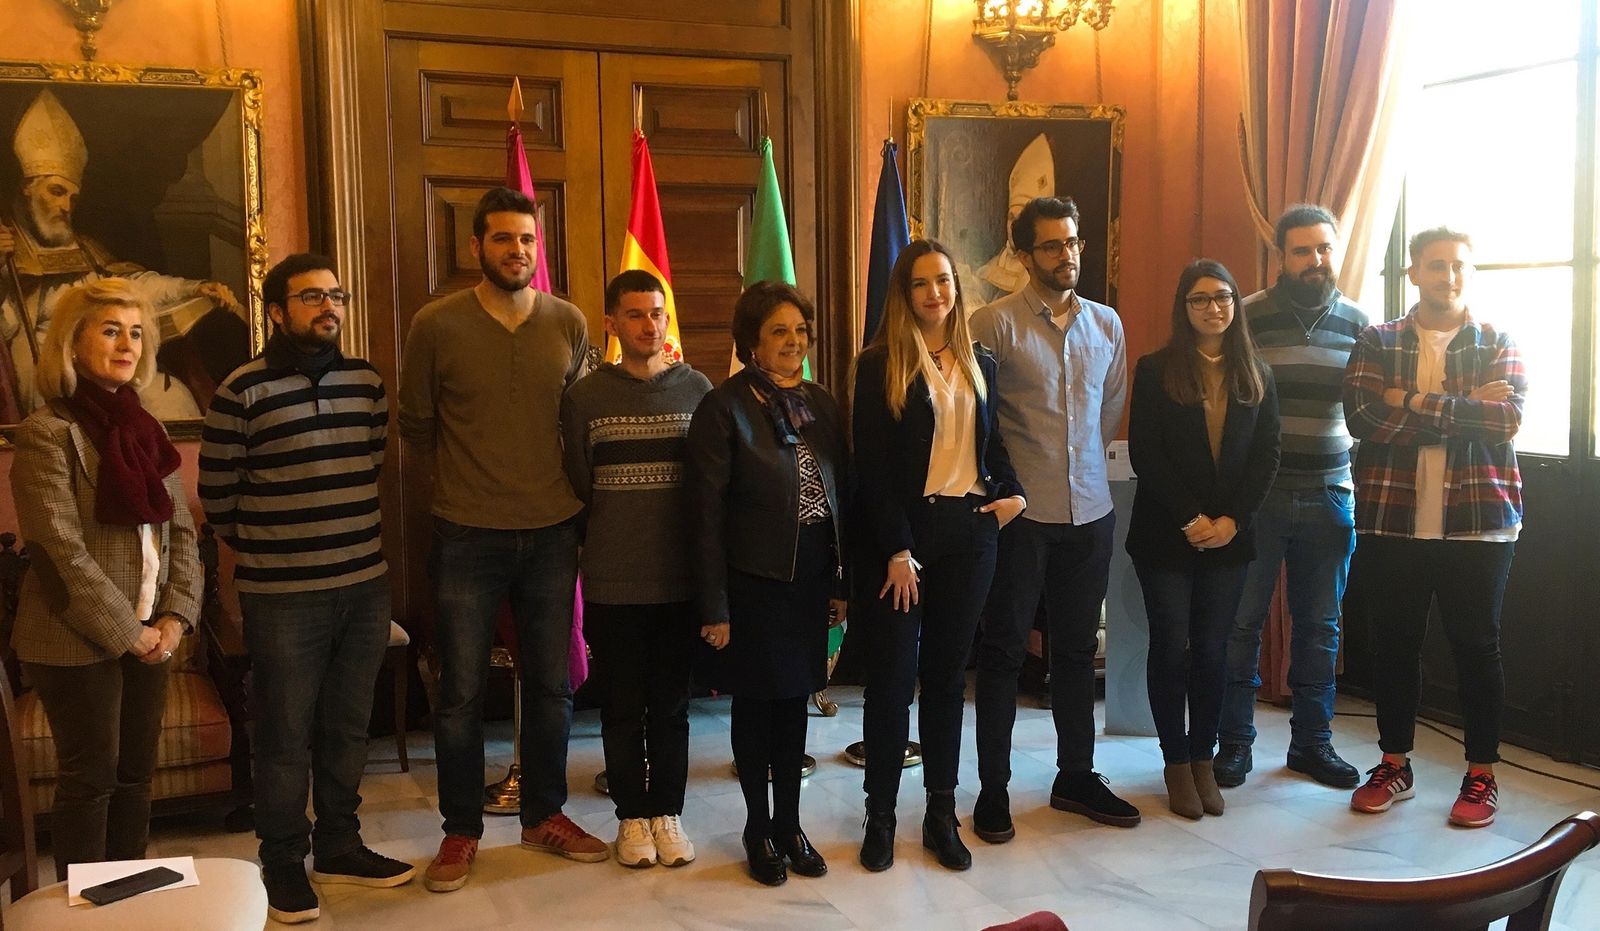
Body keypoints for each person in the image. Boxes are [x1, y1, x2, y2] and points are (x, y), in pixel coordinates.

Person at [398, 186, 604, 892]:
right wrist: (468, 483)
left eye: (527, 240)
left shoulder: (568, 322)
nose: (518, 251)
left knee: (550, 685)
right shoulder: (436, 324)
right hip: (466, 532)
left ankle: (546, 812)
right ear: (476, 246)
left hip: (552, 530)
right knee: (458, 692)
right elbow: (417, 425)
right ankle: (461, 829)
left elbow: (580, 420)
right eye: (503, 239)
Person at [199, 254, 409, 923]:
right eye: (312, 295)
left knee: (348, 727)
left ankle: (340, 844)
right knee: (285, 733)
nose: (329, 307)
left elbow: (367, 462)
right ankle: (283, 860)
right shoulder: (242, 391)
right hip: (283, 595)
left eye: (336, 294)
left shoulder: (366, 382)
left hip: (363, 586)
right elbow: (219, 500)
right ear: (277, 310)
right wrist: (280, 547)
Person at [7, 277, 200, 880]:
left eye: (137, 332)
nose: (128, 344)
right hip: (73, 638)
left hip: (151, 631)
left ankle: (128, 895)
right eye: (110, 330)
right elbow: (59, 553)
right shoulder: (46, 434)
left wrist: (174, 616)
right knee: (92, 778)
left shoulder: (149, 429)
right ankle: (87, 912)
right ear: (71, 341)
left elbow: (181, 534)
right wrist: (131, 632)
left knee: (135, 774)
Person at [1343, 227, 1524, 828]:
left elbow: (1506, 421)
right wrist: (1465, 407)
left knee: (1477, 647)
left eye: (1459, 267)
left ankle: (1481, 776)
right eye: (1437, 265)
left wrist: (1413, 401)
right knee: (1394, 645)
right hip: (1393, 519)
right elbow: (1364, 418)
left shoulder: (1497, 340)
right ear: (1414, 273)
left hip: (1480, 522)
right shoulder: (1377, 339)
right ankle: (1395, 765)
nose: (1448, 275)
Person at [853, 239, 1025, 872]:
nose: (935, 293)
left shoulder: (980, 360)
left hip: (972, 530)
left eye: (945, 281)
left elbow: (993, 446)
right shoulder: (881, 365)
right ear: (905, 293)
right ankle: (880, 817)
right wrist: (896, 547)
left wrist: (1013, 496)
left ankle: (939, 814)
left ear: (957, 288)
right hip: (904, 539)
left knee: (949, 682)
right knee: (893, 683)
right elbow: (869, 468)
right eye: (922, 283)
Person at [969, 195, 1137, 838]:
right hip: (1021, 517)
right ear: (1022, 254)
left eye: (1072, 242)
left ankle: (1075, 776)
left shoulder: (1107, 324)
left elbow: (1108, 410)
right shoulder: (993, 324)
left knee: (1075, 650)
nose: (1066, 255)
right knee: (1006, 651)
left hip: (1090, 511)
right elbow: (979, 424)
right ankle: (993, 789)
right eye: (1050, 245)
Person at [685, 280, 847, 887]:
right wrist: (714, 604)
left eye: (800, 331)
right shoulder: (722, 408)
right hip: (751, 586)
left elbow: (840, 500)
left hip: (808, 582)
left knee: (796, 709)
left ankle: (790, 825)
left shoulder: (822, 404)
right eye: (779, 331)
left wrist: (840, 582)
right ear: (752, 340)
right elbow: (703, 517)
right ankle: (758, 828)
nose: (793, 342)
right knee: (757, 711)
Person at [560, 269, 712, 869]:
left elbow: (709, 487)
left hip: (679, 581)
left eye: (658, 313)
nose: (650, 325)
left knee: (673, 706)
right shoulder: (586, 398)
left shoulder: (697, 388)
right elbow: (577, 485)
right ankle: (630, 817)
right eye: (636, 315)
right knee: (622, 707)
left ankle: (667, 813)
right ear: (612, 323)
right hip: (612, 583)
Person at [1215, 205, 1369, 791]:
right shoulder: (1247, 316)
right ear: (1282, 256)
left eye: (1324, 249)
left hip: (1331, 494)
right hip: (1262, 495)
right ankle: (1234, 746)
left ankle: (1312, 745)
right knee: (1241, 626)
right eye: (1302, 251)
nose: (1315, 260)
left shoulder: (1360, 323)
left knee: (1320, 629)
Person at [1126, 260, 1280, 820]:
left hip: (1231, 538)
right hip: (1166, 535)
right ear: (1183, 308)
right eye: (1199, 299)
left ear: (1236, 304)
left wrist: (1233, 520)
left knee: (1214, 651)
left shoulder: (1257, 371)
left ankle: (1202, 759)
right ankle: (1173, 762)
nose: (1213, 307)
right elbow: (1147, 452)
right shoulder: (1156, 368)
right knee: (1171, 646)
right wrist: (1191, 517)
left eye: (1222, 297)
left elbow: (1268, 457)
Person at [0, 89, 246, 420]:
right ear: (26, 190)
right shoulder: (10, 254)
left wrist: (193, 289)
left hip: (109, 359)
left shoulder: (85, 249)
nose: (65, 207)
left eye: (72, 198)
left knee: (171, 400)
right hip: (48, 369)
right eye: (56, 192)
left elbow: (134, 288)